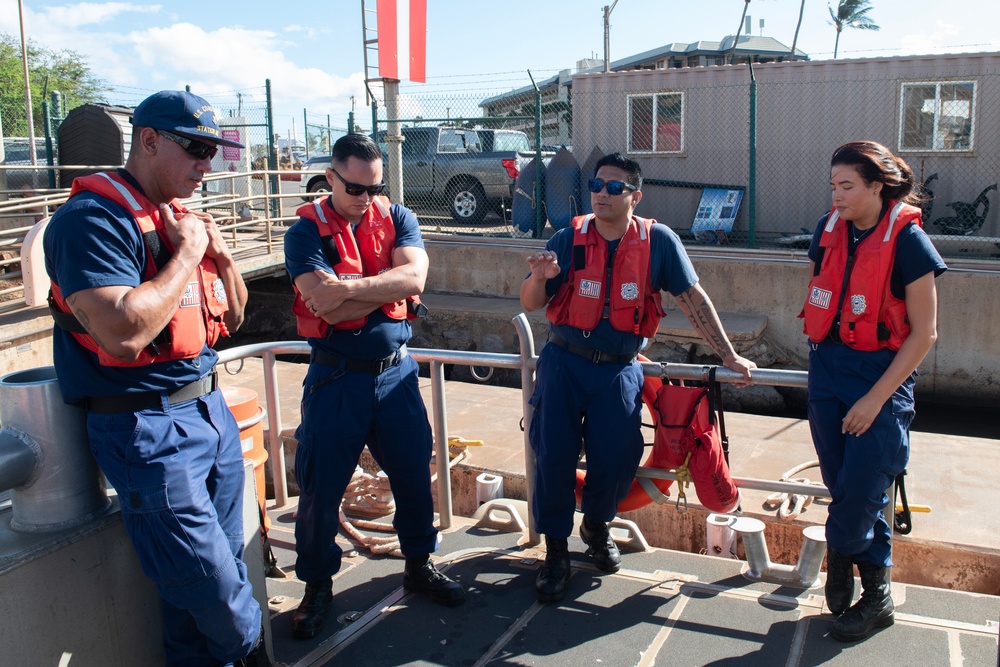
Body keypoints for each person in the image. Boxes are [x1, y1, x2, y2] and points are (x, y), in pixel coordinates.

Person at [44, 90, 264, 666]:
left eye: (213, 152)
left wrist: (222, 255)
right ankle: (256, 652)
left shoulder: (186, 221)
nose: (206, 165)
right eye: (195, 148)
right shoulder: (91, 220)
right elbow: (122, 332)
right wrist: (189, 255)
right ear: (148, 141)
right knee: (211, 587)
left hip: (209, 415)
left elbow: (234, 318)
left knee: (214, 580)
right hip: (148, 427)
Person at [519, 152, 755, 603]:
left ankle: (595, 525)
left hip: (619, 369)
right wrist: (539, 277)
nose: (602, 194)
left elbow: (693, 300)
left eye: (614, 187)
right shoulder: (568, 238)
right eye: (597, 185)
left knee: (618, 456)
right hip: (564, 362)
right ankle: (555, 553)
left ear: (635, 195)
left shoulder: (658, 241)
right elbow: (531, 301)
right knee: (553, 457)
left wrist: (729, 355)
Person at [283, 133, 465, 640]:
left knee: (412, 476)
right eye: (356, 189)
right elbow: (320, 303)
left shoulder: (399, 217)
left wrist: (349, 292)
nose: (367, 199)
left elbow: (414, 280)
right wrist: (380, 285)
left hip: (396, 375)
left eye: (375, 188)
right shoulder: (304, 234)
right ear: (331, 178)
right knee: (320, 489)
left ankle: (418, 564)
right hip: (336, 379)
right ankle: (317, 584)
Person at [802, 141, 946, 642]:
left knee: (861, 491)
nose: (836, 196)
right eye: (833, 185)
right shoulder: (828, 232)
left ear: (876, 187)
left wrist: (876, 398)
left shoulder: (908, 243)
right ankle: (865, 582)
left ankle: (853, 569)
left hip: (879, 377)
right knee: (844, 486)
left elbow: (924, 333)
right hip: (826, 370)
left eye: (847, 186)